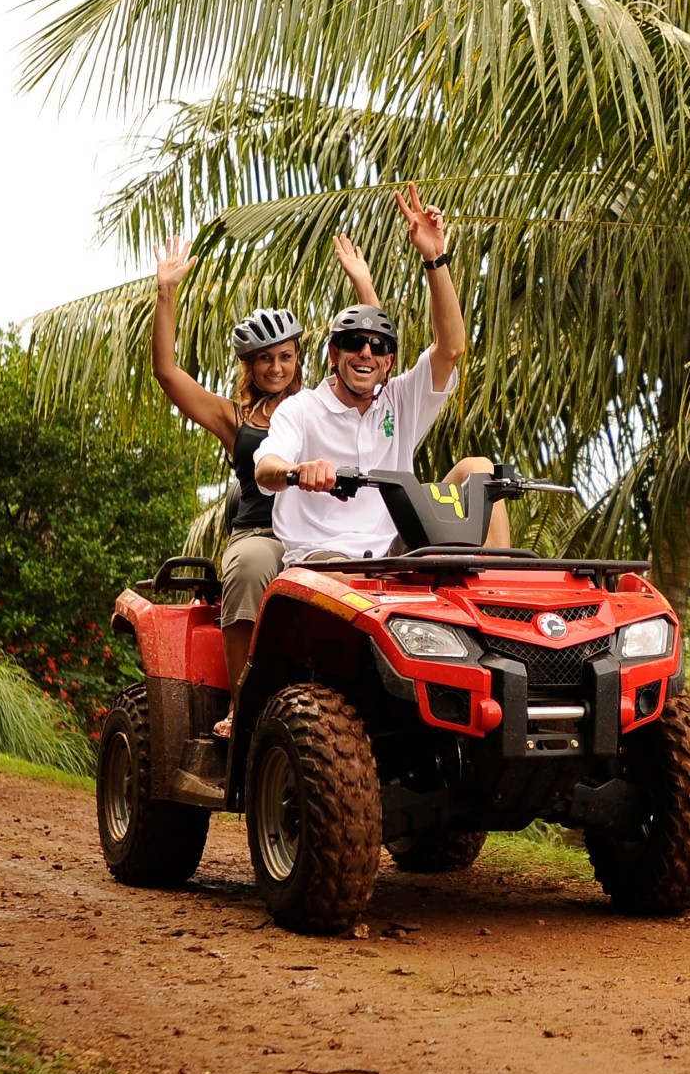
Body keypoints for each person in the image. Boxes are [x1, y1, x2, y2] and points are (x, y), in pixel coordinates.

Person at [152, 234, 380, 739]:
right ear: (249, 365)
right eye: (264, 359)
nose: (277, 368)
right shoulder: (234, 418)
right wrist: (166, 293)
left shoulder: (323, 404)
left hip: (324, 532)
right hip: (262, 530)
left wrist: (362, 283)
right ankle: (242, 703)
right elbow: (168, 374)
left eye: (286, 357)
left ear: (300, 358)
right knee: (252, 566)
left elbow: (372, 353)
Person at [254, 182, 510, 564]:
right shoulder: (301, 409)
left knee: (480, 469)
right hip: (326, 560)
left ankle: (501, 589)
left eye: (379, 347)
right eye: (355, 342)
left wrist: (435, 258)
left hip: (396, 554)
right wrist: (297, 470)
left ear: (389, 363)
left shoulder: (399, 401)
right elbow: (265, 469)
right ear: (333, 355)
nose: (366, 352)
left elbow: (451, 349)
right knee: (346, 582)